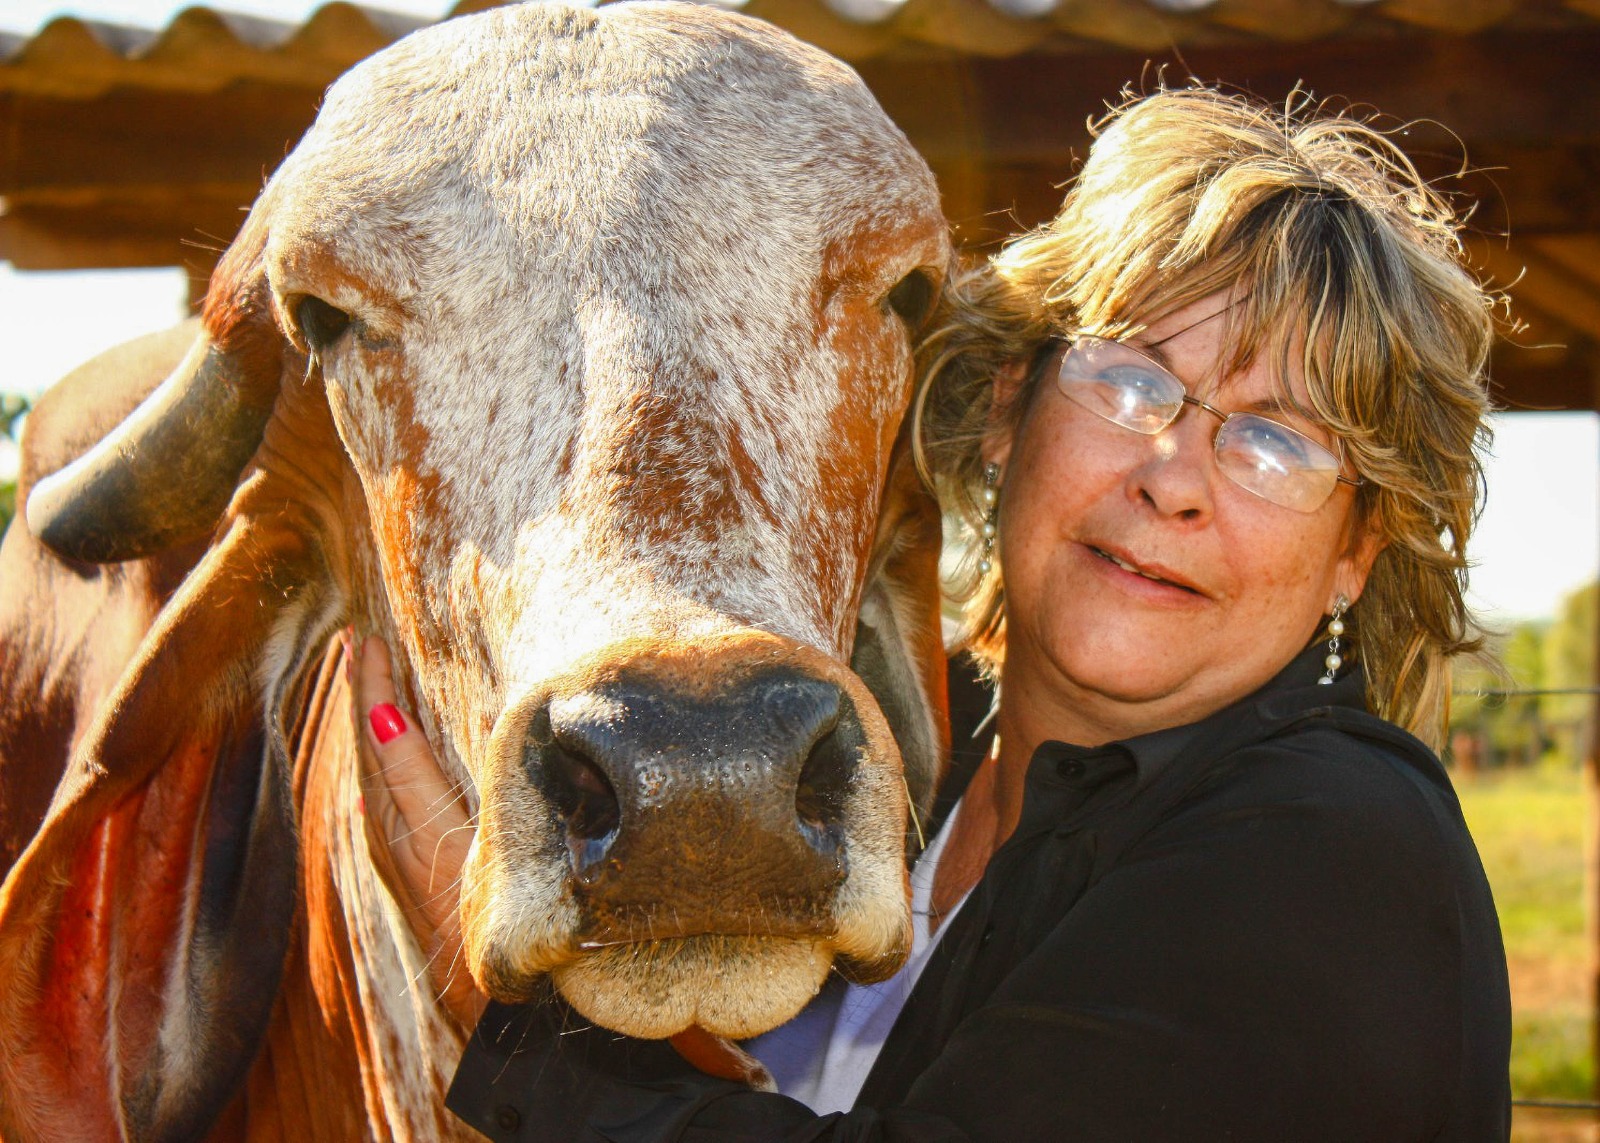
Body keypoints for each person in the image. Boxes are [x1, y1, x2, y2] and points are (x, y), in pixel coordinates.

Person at [353, 85, 1511, 1140]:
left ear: (1356, 550)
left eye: (1275, 442)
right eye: (1133, 380)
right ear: (1010, 408)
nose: (1176, 477)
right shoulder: (888, 751)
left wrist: (501, 1008)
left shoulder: (1336, 845)